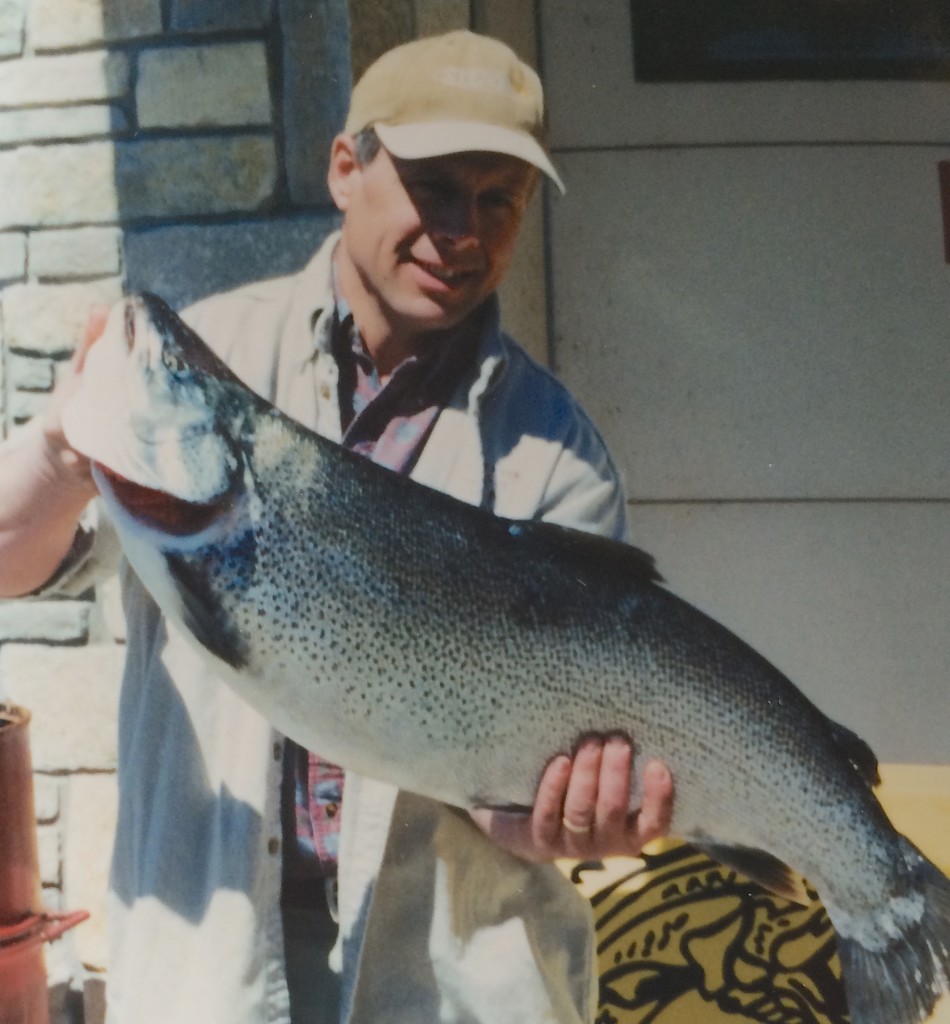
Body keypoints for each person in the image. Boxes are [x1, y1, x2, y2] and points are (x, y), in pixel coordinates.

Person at [0, 30, 674, 1024]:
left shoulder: (556, 450)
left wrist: (558, 818)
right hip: (211, 958)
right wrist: (64, 441)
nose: (463, 230)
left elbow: (512, 792)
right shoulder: (205, 368)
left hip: (445, 980)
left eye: (499, 200)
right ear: (344, 169)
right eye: (435, 187)